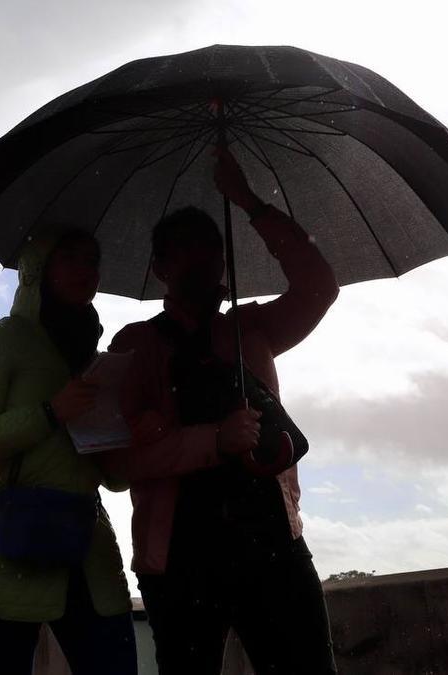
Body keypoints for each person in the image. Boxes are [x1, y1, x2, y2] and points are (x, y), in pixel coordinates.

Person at [99, 145, 340, 674]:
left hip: (274, 546)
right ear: (159, 265)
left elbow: (320, 287)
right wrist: (215, 441)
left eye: (211, 247)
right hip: (179, 562)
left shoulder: (251, 329)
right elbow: (116, 467)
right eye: (184, 249)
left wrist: (250, 202)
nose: (202, 259)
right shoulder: (132, 347)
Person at [0, 230, 137, 675]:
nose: (86, 271)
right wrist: (51, 412)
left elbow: (115, 479)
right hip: (7, 546)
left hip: (88, 549)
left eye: (93, 260)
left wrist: (129, 432)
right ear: (37, 269)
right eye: (70, 258)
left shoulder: (95, 359)